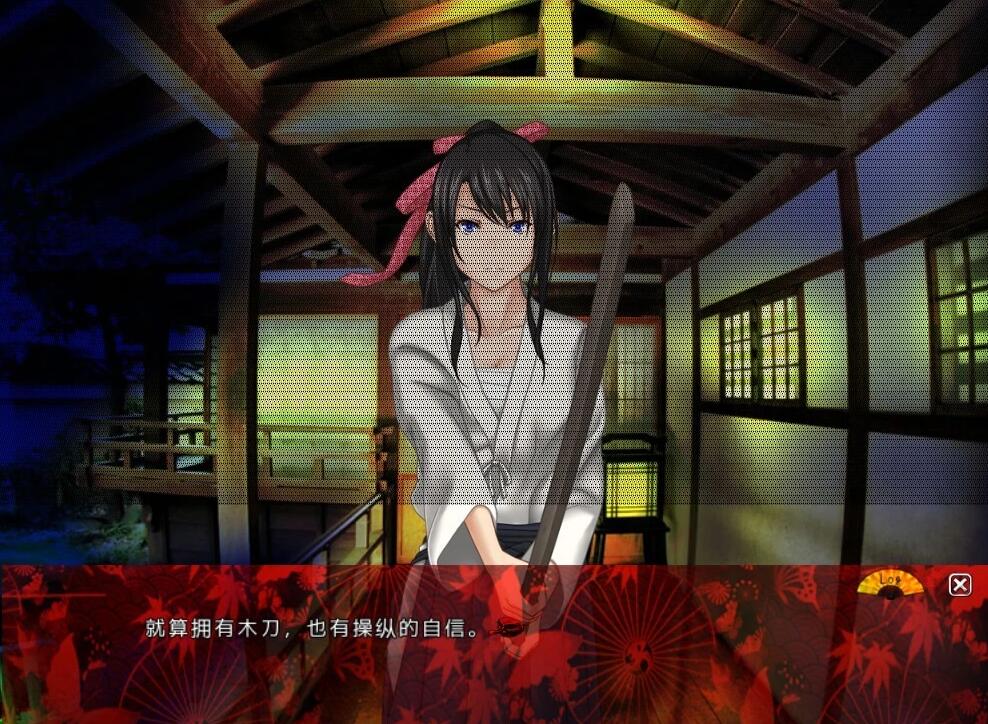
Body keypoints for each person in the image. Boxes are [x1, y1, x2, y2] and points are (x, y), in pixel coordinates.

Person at [342, 120, 605, 706]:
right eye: (470, 224)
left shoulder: (573, 342)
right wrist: (498, 568)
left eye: (517, 224)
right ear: (438, 229)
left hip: (551, 566)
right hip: (460, 555)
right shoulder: (418, 341)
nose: (495, 246)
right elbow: (450, 458)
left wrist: (554, 577)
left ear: (540, 228)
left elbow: (585, 475)